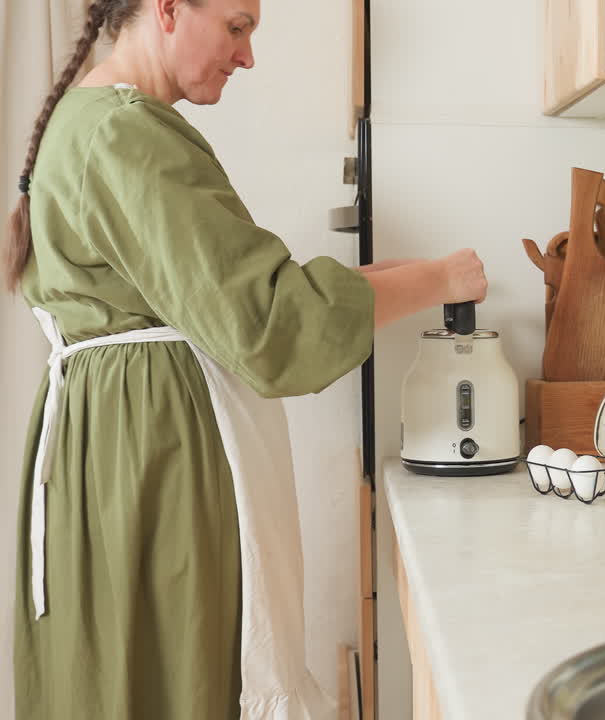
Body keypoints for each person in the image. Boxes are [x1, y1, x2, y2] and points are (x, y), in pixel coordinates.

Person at [5, 1, 487, 718]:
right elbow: (271, 326)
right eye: (237, 26)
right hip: (152, 467)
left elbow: (240, 293)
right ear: (167, 9)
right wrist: (441, 280)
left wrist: (391, 278)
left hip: (112, 459)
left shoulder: (93, 124)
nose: (248, 55)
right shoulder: (124, 134)